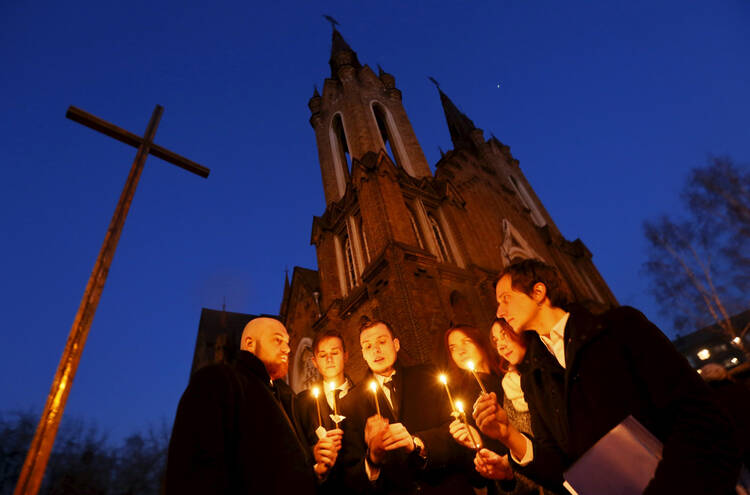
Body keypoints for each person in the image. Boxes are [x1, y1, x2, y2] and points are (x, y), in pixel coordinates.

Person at [473, 259, 740, 494]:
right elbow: (564, 471)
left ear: (539, 292)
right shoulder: (534, 378)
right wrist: (507, 434)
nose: (499, 312)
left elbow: (699, 420)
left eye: (505, 298)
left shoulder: (619, 329)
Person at [165, 317, 338, 494]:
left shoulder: (287, 400)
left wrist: (314, 471)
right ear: (250, 343)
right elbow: (195, 471)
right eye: (278, 340)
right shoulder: (220, 383)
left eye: (287, 342)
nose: (287, 348)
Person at [338, 319, 480, 494]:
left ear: (396, 344)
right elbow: (351, 474)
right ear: (363, 354)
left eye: (382, 342)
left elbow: (457, 430)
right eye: (368, 346)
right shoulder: (350, 404)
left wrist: (418, 443)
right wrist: (373, 457)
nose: (376, 350)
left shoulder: (428, 376)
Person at [449, 320, 557, 495]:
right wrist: (478, 445)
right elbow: (479, 473)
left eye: (466, 341)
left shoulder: (512, 377)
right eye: (452, 348)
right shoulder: (466, 399)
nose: (460, 351)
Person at [295, 329, 352, 493]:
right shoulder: (302, 403)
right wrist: (315, 452)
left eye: (335, 352)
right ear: (314, 361)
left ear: (345, 356)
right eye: (322, 355)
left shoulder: (364, 396)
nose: (329, 359)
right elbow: (297, 448)